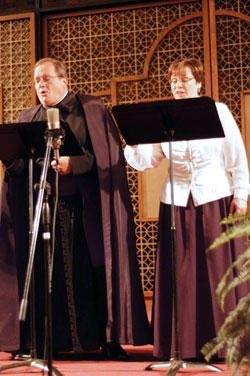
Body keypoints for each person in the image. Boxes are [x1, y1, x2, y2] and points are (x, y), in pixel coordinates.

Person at [1, 57, 149, 359]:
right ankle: (42, 342)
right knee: (44, 273)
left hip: (85, 208)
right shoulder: (28, 115)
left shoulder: (91, 110)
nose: (41, 85)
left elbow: (107, 158)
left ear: (64, 80)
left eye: (47, 79)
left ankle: (107, 339)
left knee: (93, 269)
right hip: (43, 208)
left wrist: (74, 164)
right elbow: (20, 162)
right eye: (37, 81)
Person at [124, 58, 250, 360]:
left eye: (184, 80)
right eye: (173, 82)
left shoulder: (218, 110)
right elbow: (150, 159)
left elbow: (236, 155)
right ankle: (183, 345)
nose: (178, 86)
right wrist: (132, 143)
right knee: (181, 274)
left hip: (215, 198)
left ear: (199, 82)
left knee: (217, 272)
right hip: (176, 202)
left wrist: (242, 195)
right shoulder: (164, 115)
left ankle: (226, 344)